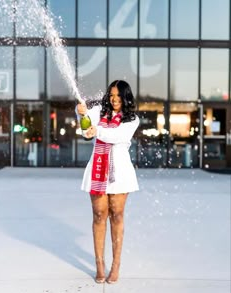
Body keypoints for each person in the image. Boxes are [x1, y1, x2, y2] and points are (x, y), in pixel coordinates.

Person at [76, 80, 139, 284]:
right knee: (99, 214)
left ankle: (116, 265)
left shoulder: (132, 119)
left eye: (119, 96)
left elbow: (117, 136)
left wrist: (98, 131)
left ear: (126, 97)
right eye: (112, 95)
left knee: (117, 214)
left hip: (120, 172)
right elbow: (86, 129)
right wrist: (82, 113)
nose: (114, 99)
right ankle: (100, 264)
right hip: (97, 169)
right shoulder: (99, 112)